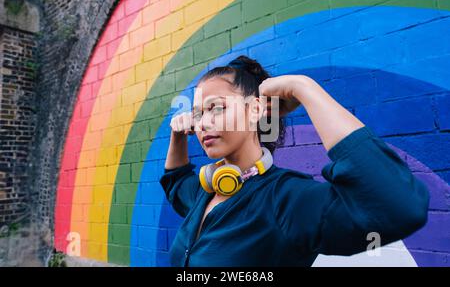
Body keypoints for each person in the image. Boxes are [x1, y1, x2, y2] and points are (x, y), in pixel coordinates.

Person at [160, 55, 429, 267]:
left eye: (216, 108)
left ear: (255, 110)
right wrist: (177, 136)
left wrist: (304, 88)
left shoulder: (285, 200)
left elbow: (398, 207)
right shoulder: (204, 191)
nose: (203, 123)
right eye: (197, 114)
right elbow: (175, 182)